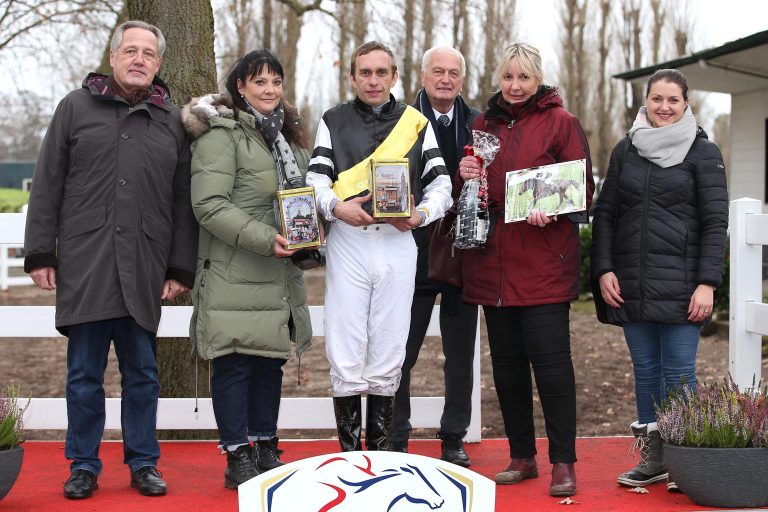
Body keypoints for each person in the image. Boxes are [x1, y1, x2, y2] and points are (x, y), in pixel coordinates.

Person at [23, 20, 197, 499]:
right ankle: (83, 464)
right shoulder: (75, 108)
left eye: (148, 53)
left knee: (143, 373)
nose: (139, 59)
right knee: (83, 375)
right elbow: (47, 182)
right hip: (87, 262)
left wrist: (180, 266)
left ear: (159, 63)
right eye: (131, 50)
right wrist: (40, 251)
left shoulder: (172, 122)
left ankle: (143, 462)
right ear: (114, 55)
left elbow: (182, 201)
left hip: (144, 264)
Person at [458, 43, 594, 497]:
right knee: (508, 366)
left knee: (553, 367)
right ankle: (522, 455)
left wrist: (551, 209)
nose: (515, 86)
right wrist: (469, 173)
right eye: (508, 77)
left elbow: (581, 190)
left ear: (539, 81)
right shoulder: (483, 123)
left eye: (524, 78)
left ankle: (563, 461)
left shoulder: (562, 123)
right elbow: (479, 186)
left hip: (543, 263)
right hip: (492, 263)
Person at [307, 41, 452, 453]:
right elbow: (317, 179)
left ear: (394, 77)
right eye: (365, 73)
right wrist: (336, 207)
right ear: (352, 77)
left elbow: (442, 185)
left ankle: (382, 457)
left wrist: (421, 216)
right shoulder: (332, 119)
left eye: (381, 73)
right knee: (345, 342)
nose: (373, 80)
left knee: (390, 342)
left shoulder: (415, 121)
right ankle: (352, 457)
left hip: (398, 241)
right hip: (349, 241)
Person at [591, 69, 728, 491]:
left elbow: (715, 222)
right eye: (657, 99)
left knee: (680, 373)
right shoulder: (625, 150)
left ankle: (682, 461)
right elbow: (607, 215)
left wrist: (707, 282)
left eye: (673, 100)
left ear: (686, 103)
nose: (664, 107)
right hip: (630, 283)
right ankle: (653, 461)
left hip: (684, 286)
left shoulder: (703, 153)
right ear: (645, 102)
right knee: (646, 371)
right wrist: (603, 268)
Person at [182, 49, 313, 489]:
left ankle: (266, 445)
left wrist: (311, 230)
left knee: (267, 363)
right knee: (234, 363)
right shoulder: (221, 135)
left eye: (276, 82)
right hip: (233, 269)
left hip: (277, 272)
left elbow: (299, 199)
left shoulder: (288, 140)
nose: (270, 90)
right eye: (260, 82)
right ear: (240, 87)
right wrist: (263, 238)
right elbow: (209, 205)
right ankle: (237, 453)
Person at [389, 46, 479, 467]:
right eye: (437, 71)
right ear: (422, 75)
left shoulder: (479, 125)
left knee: (460, 353)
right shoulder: (401, 122)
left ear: (462, 78)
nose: (446, 79)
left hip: (464, 253)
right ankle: (396, 434)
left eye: (453, 73)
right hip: (414, 249)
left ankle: (453, 436)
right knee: (402, 352)